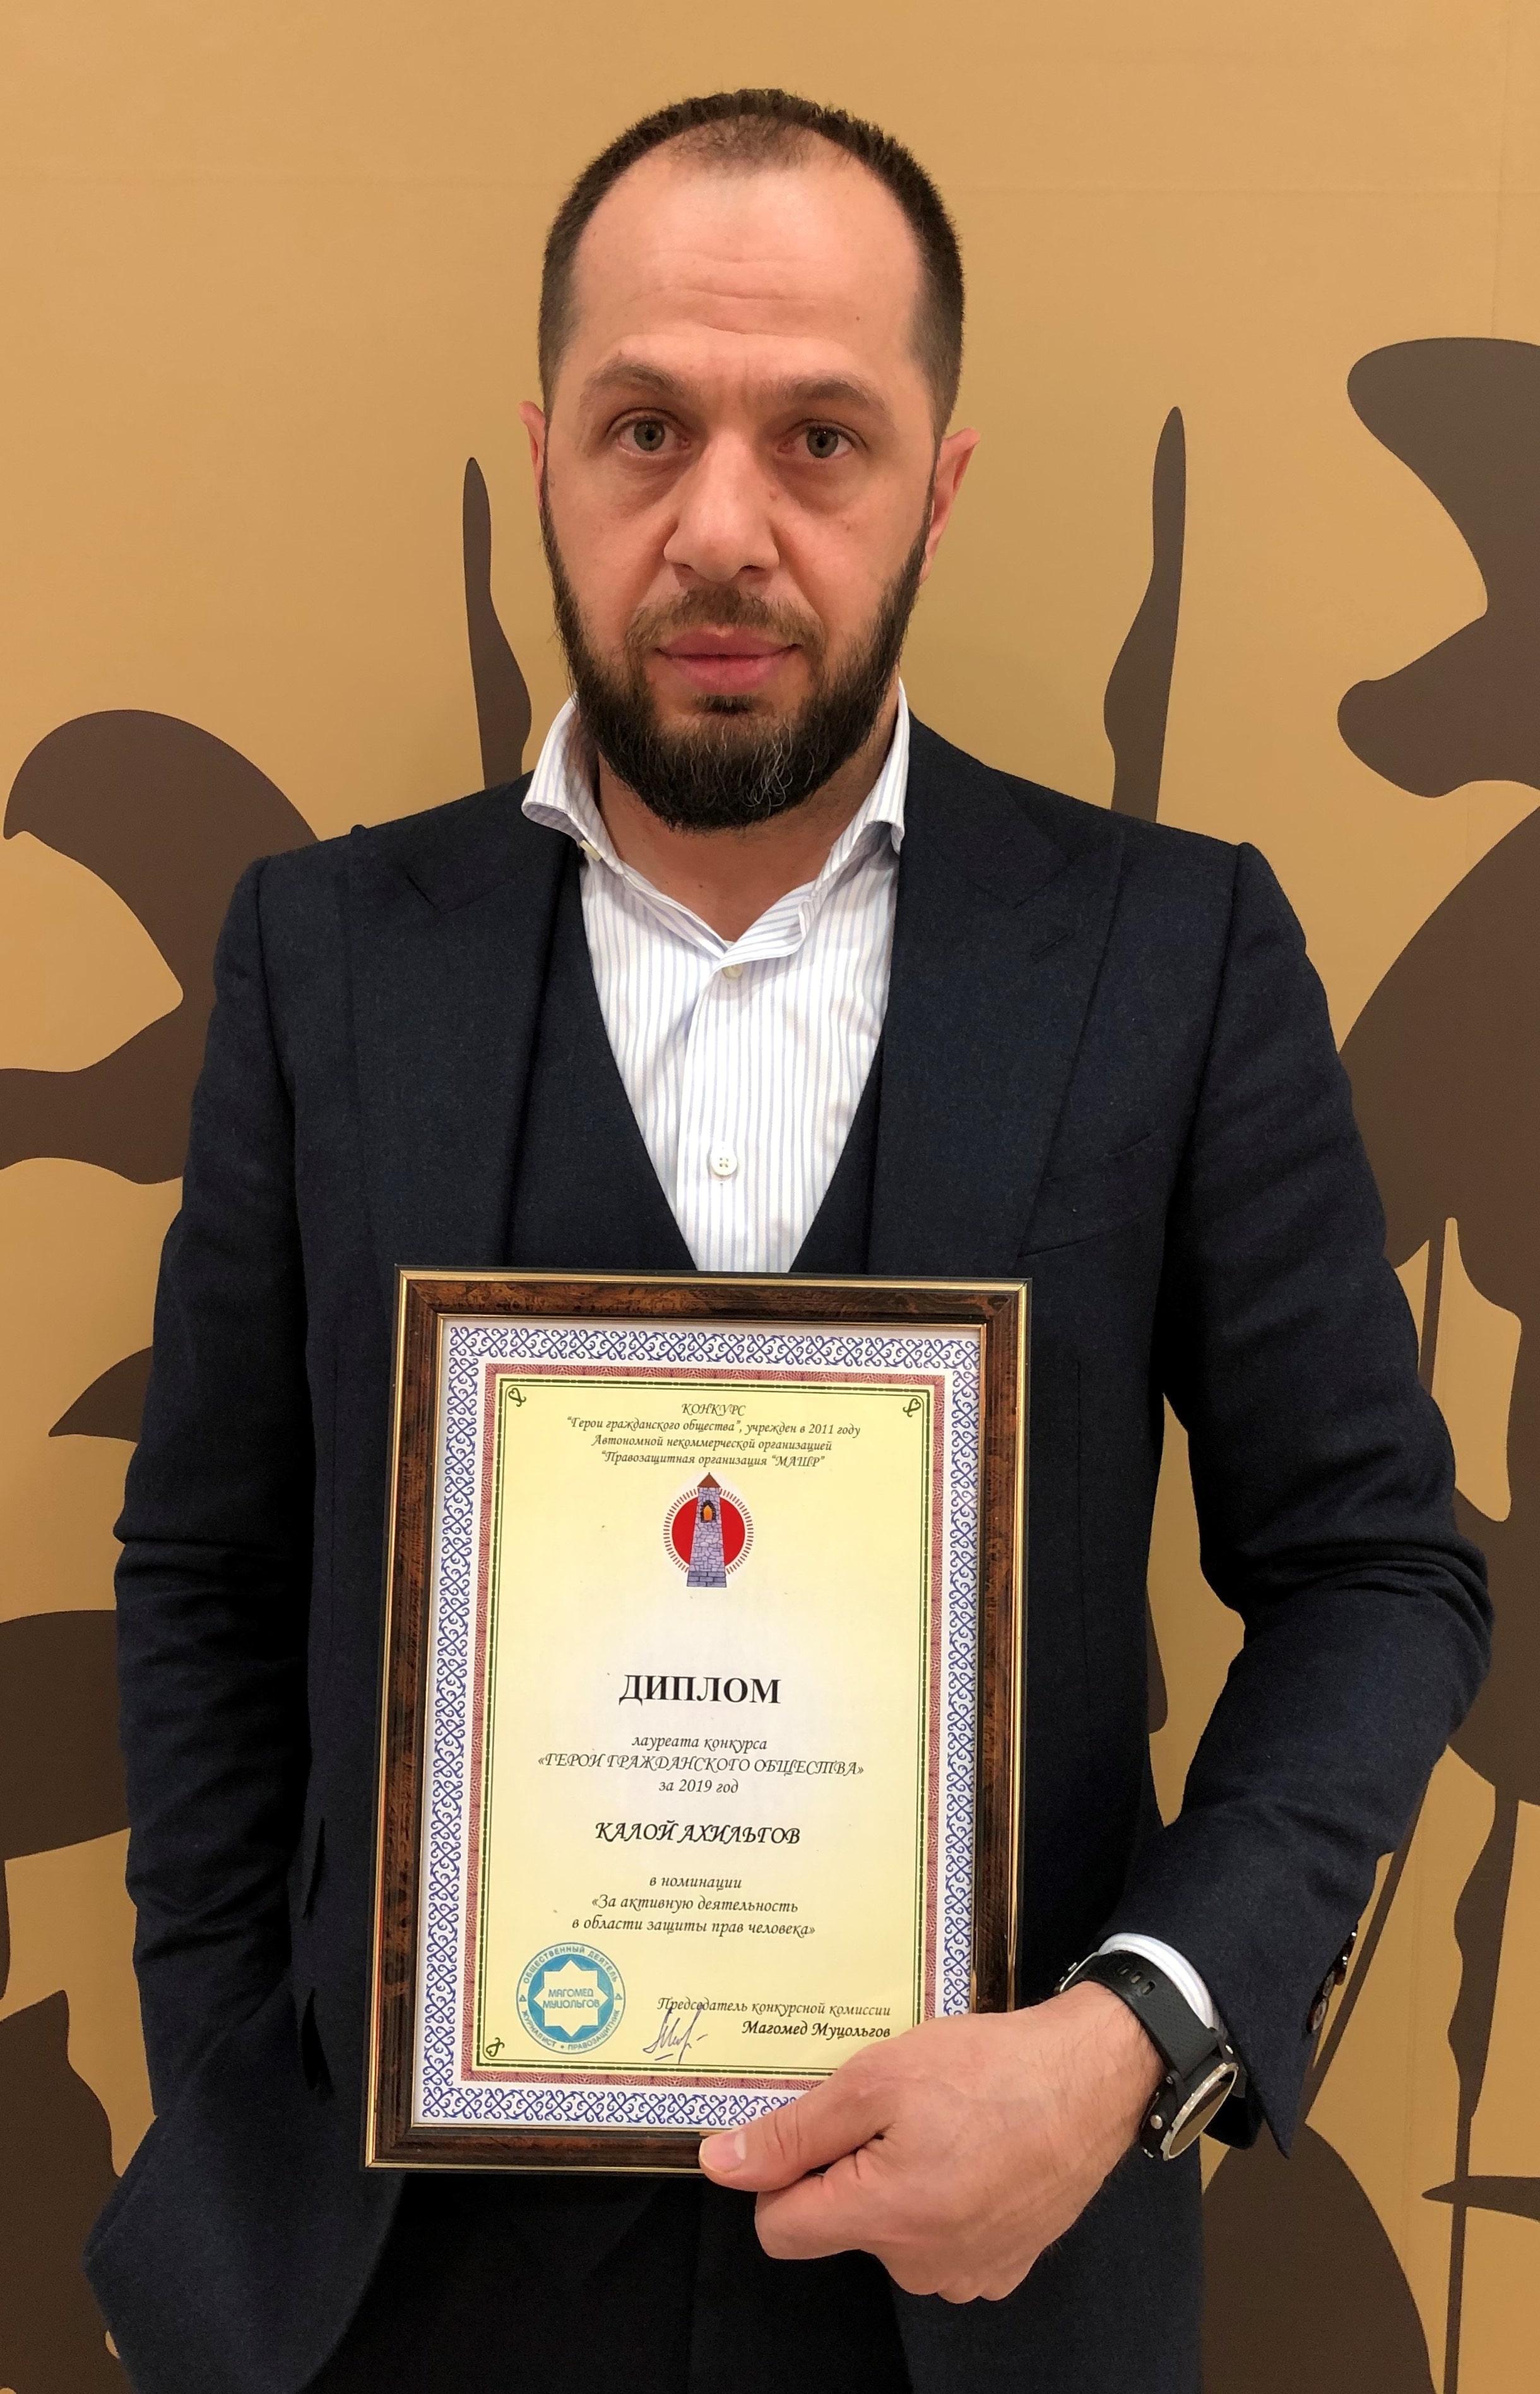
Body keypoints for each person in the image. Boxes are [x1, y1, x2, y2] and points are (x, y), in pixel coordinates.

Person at [85, 86, 1488, 2394]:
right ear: (547, 455)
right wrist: (250, 2096)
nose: (720, 529)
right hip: (385, 2300)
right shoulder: (320, 960)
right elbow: (211, 1579)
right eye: (646, 429)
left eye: (819, 440)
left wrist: (1125, 2051)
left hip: (990, 2305)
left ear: (939, 483)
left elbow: (1378, 1570)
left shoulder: (1176, 957)